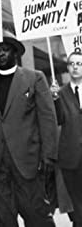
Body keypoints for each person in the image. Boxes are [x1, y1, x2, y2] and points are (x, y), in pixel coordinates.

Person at [0, 31, 57, 227]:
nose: (0, 54)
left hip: (27, 162)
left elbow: (47, 118)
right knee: (4, 219)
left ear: (15, 53)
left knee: (36, 216)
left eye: (5, 50)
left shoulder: (34, 79)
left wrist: (48, 156)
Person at [51, 47, 82, 226]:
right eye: (71, 64)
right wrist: (54, 99)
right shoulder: (60, 93)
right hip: (71, 157)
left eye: (79, 64)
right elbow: (59, 120)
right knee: (76, 203)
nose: (75, 67)